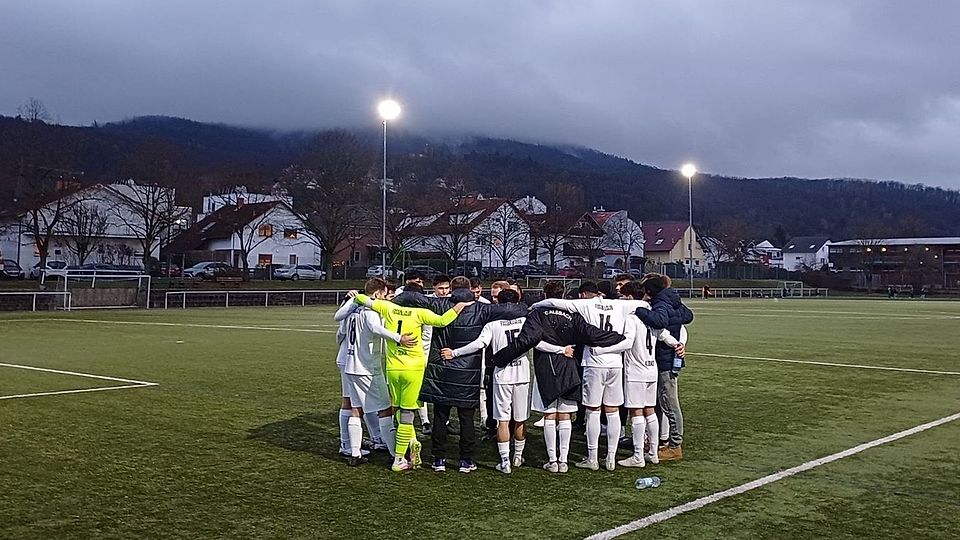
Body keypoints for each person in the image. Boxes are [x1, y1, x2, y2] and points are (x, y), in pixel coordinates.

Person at [488, 281, 626, 473]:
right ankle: (564, 461)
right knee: (566, 416)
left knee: (550, 416)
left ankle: (552, 460)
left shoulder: (538, 313)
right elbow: (591, 334)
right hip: (569, 367)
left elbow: (529, 340)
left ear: (545, 294)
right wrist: (617, 337)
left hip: (547, 367)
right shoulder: (573, 314)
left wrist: (500, 358)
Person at [395, 276, 527, 473]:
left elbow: (411, 296)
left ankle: (438, 459)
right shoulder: (481, 309)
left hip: (442, 368)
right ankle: (466, 460)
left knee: (440, 416)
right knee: (466, 418)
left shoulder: (439, 304)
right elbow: (511, 309)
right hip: (468, 371)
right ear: (470, 290)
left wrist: (386, 302)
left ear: (451, 290)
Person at [348, 290, 473, 472]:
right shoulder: (420, 313)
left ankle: (411, 441)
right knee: (408, 414)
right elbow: (442, 321)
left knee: (398, 410)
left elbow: (360, 299)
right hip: (413, 370)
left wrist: (357, 295)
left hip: (393, 369)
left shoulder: (388, 308)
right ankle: (399, 459)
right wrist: (460, 306)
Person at [529, 281, 629, 471]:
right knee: (610, 410)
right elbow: (640, 305)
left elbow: (535, 338)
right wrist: (616, 338)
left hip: (576, 363)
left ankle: (574, 459)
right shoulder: (613, 306)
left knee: (583, 411)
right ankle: (607, 457)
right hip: (606, 362)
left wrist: (537, 305)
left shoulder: (573, 307)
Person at [441, 289, 542, 473]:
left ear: (498, 304)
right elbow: (538, 342)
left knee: (502, 421)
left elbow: (479, 344)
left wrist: (454, 353)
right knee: (520, 420)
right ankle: (518, 456)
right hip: (522, 374)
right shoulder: (526, 320)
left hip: (501, 376)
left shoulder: (492, 324)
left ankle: (504, 462)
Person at [589, 281, 684, 467]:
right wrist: (677, 345)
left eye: (624, 296)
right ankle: (653, 453)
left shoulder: (632, 318)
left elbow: (627, 343)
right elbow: (665, 334)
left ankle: (638, 455)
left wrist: (601, 350)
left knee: (637, 412)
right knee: (650, 411)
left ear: (630, 297)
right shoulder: (652, 315)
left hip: (635, 371)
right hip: (651, 369)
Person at [333, 278, 417, 466]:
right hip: (368, 368)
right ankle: (397, 455)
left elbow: (340, 327)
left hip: (351, 366)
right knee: (385, 410)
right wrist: (398, 338)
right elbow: (376, 328)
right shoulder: (370, 312)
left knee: (356, 409)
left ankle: (354, 453)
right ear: (378, 294)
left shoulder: (353, 312)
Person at [634, 274, 694, 461]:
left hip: (665, 358)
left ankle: (675, 445)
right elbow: (688, 316)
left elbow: (659, 321)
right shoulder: (674, 301)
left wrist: (639, 310)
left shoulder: (660, 304)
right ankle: (663, 441)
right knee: (663, 402)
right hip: (672, 357)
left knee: (669, 402)